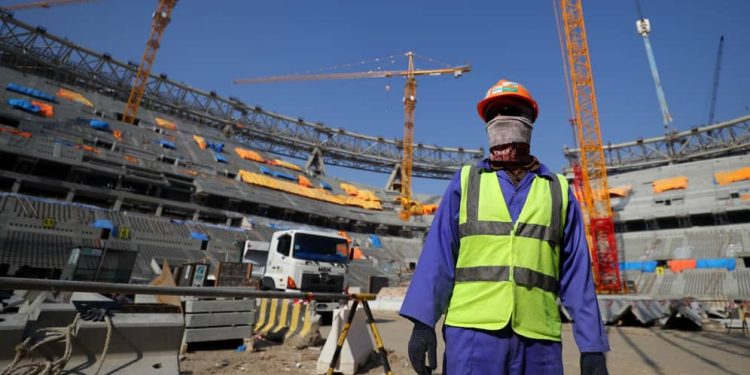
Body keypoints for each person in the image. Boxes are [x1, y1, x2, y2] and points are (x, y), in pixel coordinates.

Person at [400, 79, 610, 375]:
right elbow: (438, 256)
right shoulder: (466, 182)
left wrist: (593, 347)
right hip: (472, 335)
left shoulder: (558, 191)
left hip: (539, 340)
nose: (502, 119)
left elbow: (577, 276)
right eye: (494, 114)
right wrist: (423, 322)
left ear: (530, 122)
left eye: (513, 111)